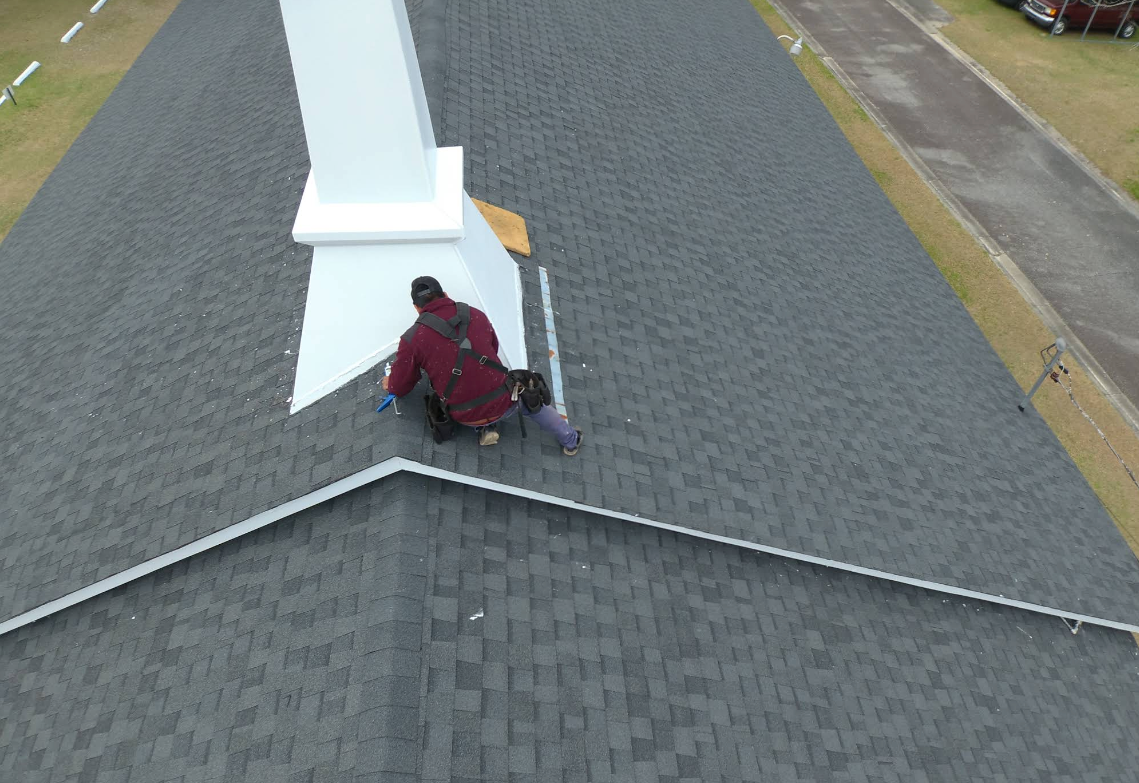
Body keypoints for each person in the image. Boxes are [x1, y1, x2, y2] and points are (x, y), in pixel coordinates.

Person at [382, 276, 583, 455]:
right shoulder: (474, 314)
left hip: (463, 415)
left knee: (452, 390)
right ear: (445, 294)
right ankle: (571, 440)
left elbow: (400, 387)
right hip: (505, 404)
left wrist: (391, 383)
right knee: (533, 401)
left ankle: (484, 428)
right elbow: (492, 349)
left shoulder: (412, 339)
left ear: (417, 308)